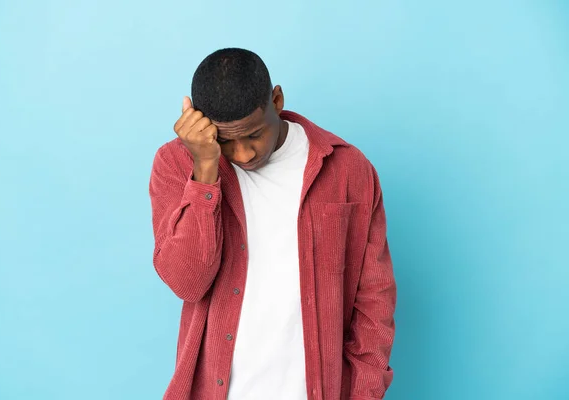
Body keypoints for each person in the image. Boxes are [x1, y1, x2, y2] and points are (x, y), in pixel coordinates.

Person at [149, 47, 396, 400]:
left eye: (253, 135)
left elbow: (374, 299)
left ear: (276, 99)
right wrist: (204, 171)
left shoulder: (347, 170)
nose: (243, 154)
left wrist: (364, 392)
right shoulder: (175, 164)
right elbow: (188, 282)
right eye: (226, 141)